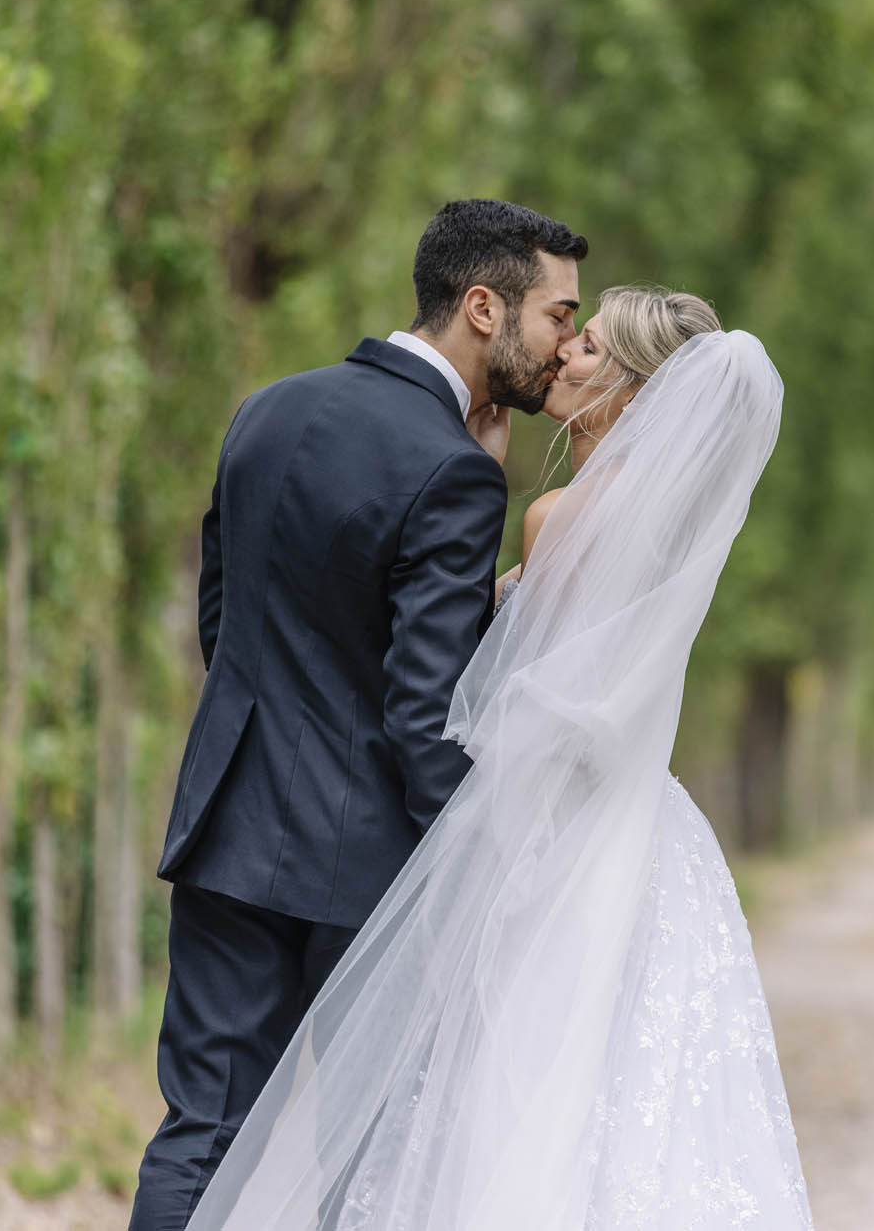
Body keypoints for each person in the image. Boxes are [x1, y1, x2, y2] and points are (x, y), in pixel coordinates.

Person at [178, 286, 814, 1230]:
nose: (566, 356)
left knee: (500, 1099)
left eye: (591, 348)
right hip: (644, 840)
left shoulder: (556, 516)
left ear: (637, 393)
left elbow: (485, 691)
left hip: (546, 836)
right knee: (627, 1103)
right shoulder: (668, 534)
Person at [128, 198, 589, 1231]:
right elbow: (424, 711)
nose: (566, 343)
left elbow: (225, 626)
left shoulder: (266, 410)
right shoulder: (454, 471)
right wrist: (479, 861)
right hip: (365, 873)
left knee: (200, 1132)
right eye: (558, 315)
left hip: (223, 831)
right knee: (373, 1155)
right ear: (483, 307)